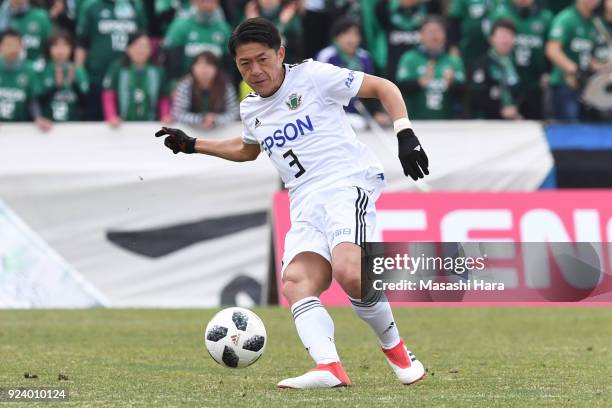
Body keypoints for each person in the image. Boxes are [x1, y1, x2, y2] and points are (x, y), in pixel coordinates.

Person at [155, 17, 429, 389]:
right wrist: (193, 145)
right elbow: (247, 149)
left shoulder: (313, 76)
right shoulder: (251, 108)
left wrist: (405, 133)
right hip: (302, 200)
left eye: (262, 59)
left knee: (350, 272)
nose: (256, 70)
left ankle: (397, 352)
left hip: (345, 182)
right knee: (297, 282)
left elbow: (383, 87)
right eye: (244, 64)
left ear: (280, 53)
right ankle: (328, 367)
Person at [76, 0, 148, 120]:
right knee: (95, 120)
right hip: (97, 76)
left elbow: (143, 37)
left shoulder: (135, 5)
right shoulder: (91, 6)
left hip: (128, 76)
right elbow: (82, 42)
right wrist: (79, 67)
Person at [316, 16, 390, 128]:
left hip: (358, 115)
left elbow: (371, 89)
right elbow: (318, 89)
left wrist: (376, 113)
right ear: (337, 37)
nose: (352, 39)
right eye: (347, 34)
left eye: (356, 34)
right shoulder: (326, 56)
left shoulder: (365, 58)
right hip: (329, 114)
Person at [489, 0, 554, 119]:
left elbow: (550, 48)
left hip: (535, 83)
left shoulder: (545, 17)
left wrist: (547, 72)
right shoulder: (501, 13)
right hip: (507, 81)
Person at [395, 16, 466, 120]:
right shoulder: (410, 58)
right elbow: (399, 88)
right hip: (416, 121)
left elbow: (465, 92)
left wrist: (451, 83)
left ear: (445, 34)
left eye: (438, 31)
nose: (434, 36)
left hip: (449, 123)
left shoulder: (453, 61)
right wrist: (420, 82)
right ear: (421, 35)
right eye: (430, 32)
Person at [546, 0, 601, 121]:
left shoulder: (594, 22)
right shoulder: (566, 18)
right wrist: (574, 70)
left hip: (586, 86)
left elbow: (588, 55)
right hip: (565, 85)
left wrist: (600, 68)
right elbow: (552, 50)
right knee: (569, 130)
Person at [102, 32, 171, 127]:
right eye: (137, 46)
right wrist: (111, 116)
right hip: (122, 125)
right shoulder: (117, 68)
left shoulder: (158, 71)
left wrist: (165, 115)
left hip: (151, 125)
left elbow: (163, 97)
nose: (141, 50)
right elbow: (109, 95)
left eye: (145, 46)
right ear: (128, 49)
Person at [162, 0, 231, 81]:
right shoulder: (180, 27)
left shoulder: (225, 29)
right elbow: (170, 64)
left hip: (216, 87)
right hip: (184, 85)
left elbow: (229, 67)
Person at [467, 19, 522, 119]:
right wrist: (500, 110)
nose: (505, 40)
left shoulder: (517, 63)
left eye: (509, 35)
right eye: (501, 36)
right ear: (491, 39)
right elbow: (476, 97)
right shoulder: (481, 64)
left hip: (514, 120)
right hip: (486, 121)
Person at [171, 51, 238, 129]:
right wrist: (202, 119)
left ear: (217, 68)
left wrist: (215, 119)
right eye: (199, 64)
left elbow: (234, 112)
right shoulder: (185, 85)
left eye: (209, 65)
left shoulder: (226, 86)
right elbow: (178, 113)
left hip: (219, 132)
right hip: (191, 131)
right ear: (192, 67)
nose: (204, 69)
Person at [0, 29, 50, 130]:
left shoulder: (28, 70)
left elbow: (32, 100)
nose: (13, 49)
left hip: (20, 129)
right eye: (8, 45)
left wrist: (38, 118)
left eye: (16, 45)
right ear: (1, 47)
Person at [38, 29, 89, 122]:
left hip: (73, 127)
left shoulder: (78, 71)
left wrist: (74, 85)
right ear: (49, 48)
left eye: (65, 46)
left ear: (71, 48)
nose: (60, 51)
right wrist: (56, 87)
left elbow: (86, 103)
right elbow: (36, 102)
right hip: (47, 127)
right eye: (55, 46)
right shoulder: (42, 69)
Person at [0, 0, 53, 69]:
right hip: (6, 70)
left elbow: (52, 45)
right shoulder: (3, 18)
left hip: (36, 71)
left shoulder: (41, 18)